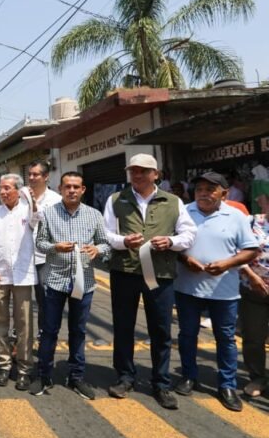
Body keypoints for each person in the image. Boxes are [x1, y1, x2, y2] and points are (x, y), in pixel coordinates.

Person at [103, 153, 197, 410]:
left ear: (156, 174)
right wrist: (123, 242)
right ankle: (124, 377)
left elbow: (189, 234)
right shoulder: (116, 199)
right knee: (123, 327)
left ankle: (161, 382)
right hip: (125, 271)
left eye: (143, 171)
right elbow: (106, 233)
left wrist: (171, 242)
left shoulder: (174, 201)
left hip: (160, 273)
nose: (137, 175)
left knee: (161, 329)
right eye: (133, 170)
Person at [173, 172, 257, 412]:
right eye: (199, 188)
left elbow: (250, 250)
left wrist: (227, 264)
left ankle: (227, 385)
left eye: (211, 189)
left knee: (226, 338)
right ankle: (189, 376)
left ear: (224, 193)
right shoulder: (184, 212)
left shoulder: (236, 216)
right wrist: (185, 259)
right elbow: (171, 244)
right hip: (187, 288)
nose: (204, 193)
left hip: (224, 291)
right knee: (187, 335)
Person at [30, 172, 111, 400]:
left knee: (79, 331)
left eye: (76, 187)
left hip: (83, 282)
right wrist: (56, 247)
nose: (72, 190)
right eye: (67, 187)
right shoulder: (48, 214)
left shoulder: (94, 215)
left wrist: (97, 250)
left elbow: (105, 244)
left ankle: (76, 376)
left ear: (83, 189)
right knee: (49, 331)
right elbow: (41, 243)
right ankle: (44, 375)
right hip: (55, 280)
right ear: (61, 188)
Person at [0, 174, 38, 390]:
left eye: (8, 188)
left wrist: (31, 200)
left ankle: (24, 369)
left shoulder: (28, 211)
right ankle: (4, 365)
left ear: (18, 190)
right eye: (1, 189)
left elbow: (38, 219)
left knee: (24, 324)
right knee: (0, 322)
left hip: (23, 275)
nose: (3, 192)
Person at [28, 159, 62, 338]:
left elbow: (55, 228)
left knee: (45, 301)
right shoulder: (21, 197)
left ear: (46, 177)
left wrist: (35, 206)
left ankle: (44, 335)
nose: (32, 178)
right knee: (21, 302)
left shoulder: (56, 200)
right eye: (30, 174)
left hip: (45, 259)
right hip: (23, 258)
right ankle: (19, 336)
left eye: (36, 174)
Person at [239, 212, 269, 398]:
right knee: (253, 336)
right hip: (253, 289)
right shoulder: (251, 221)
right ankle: (258, 377)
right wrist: (251, 276)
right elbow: (234, 250)